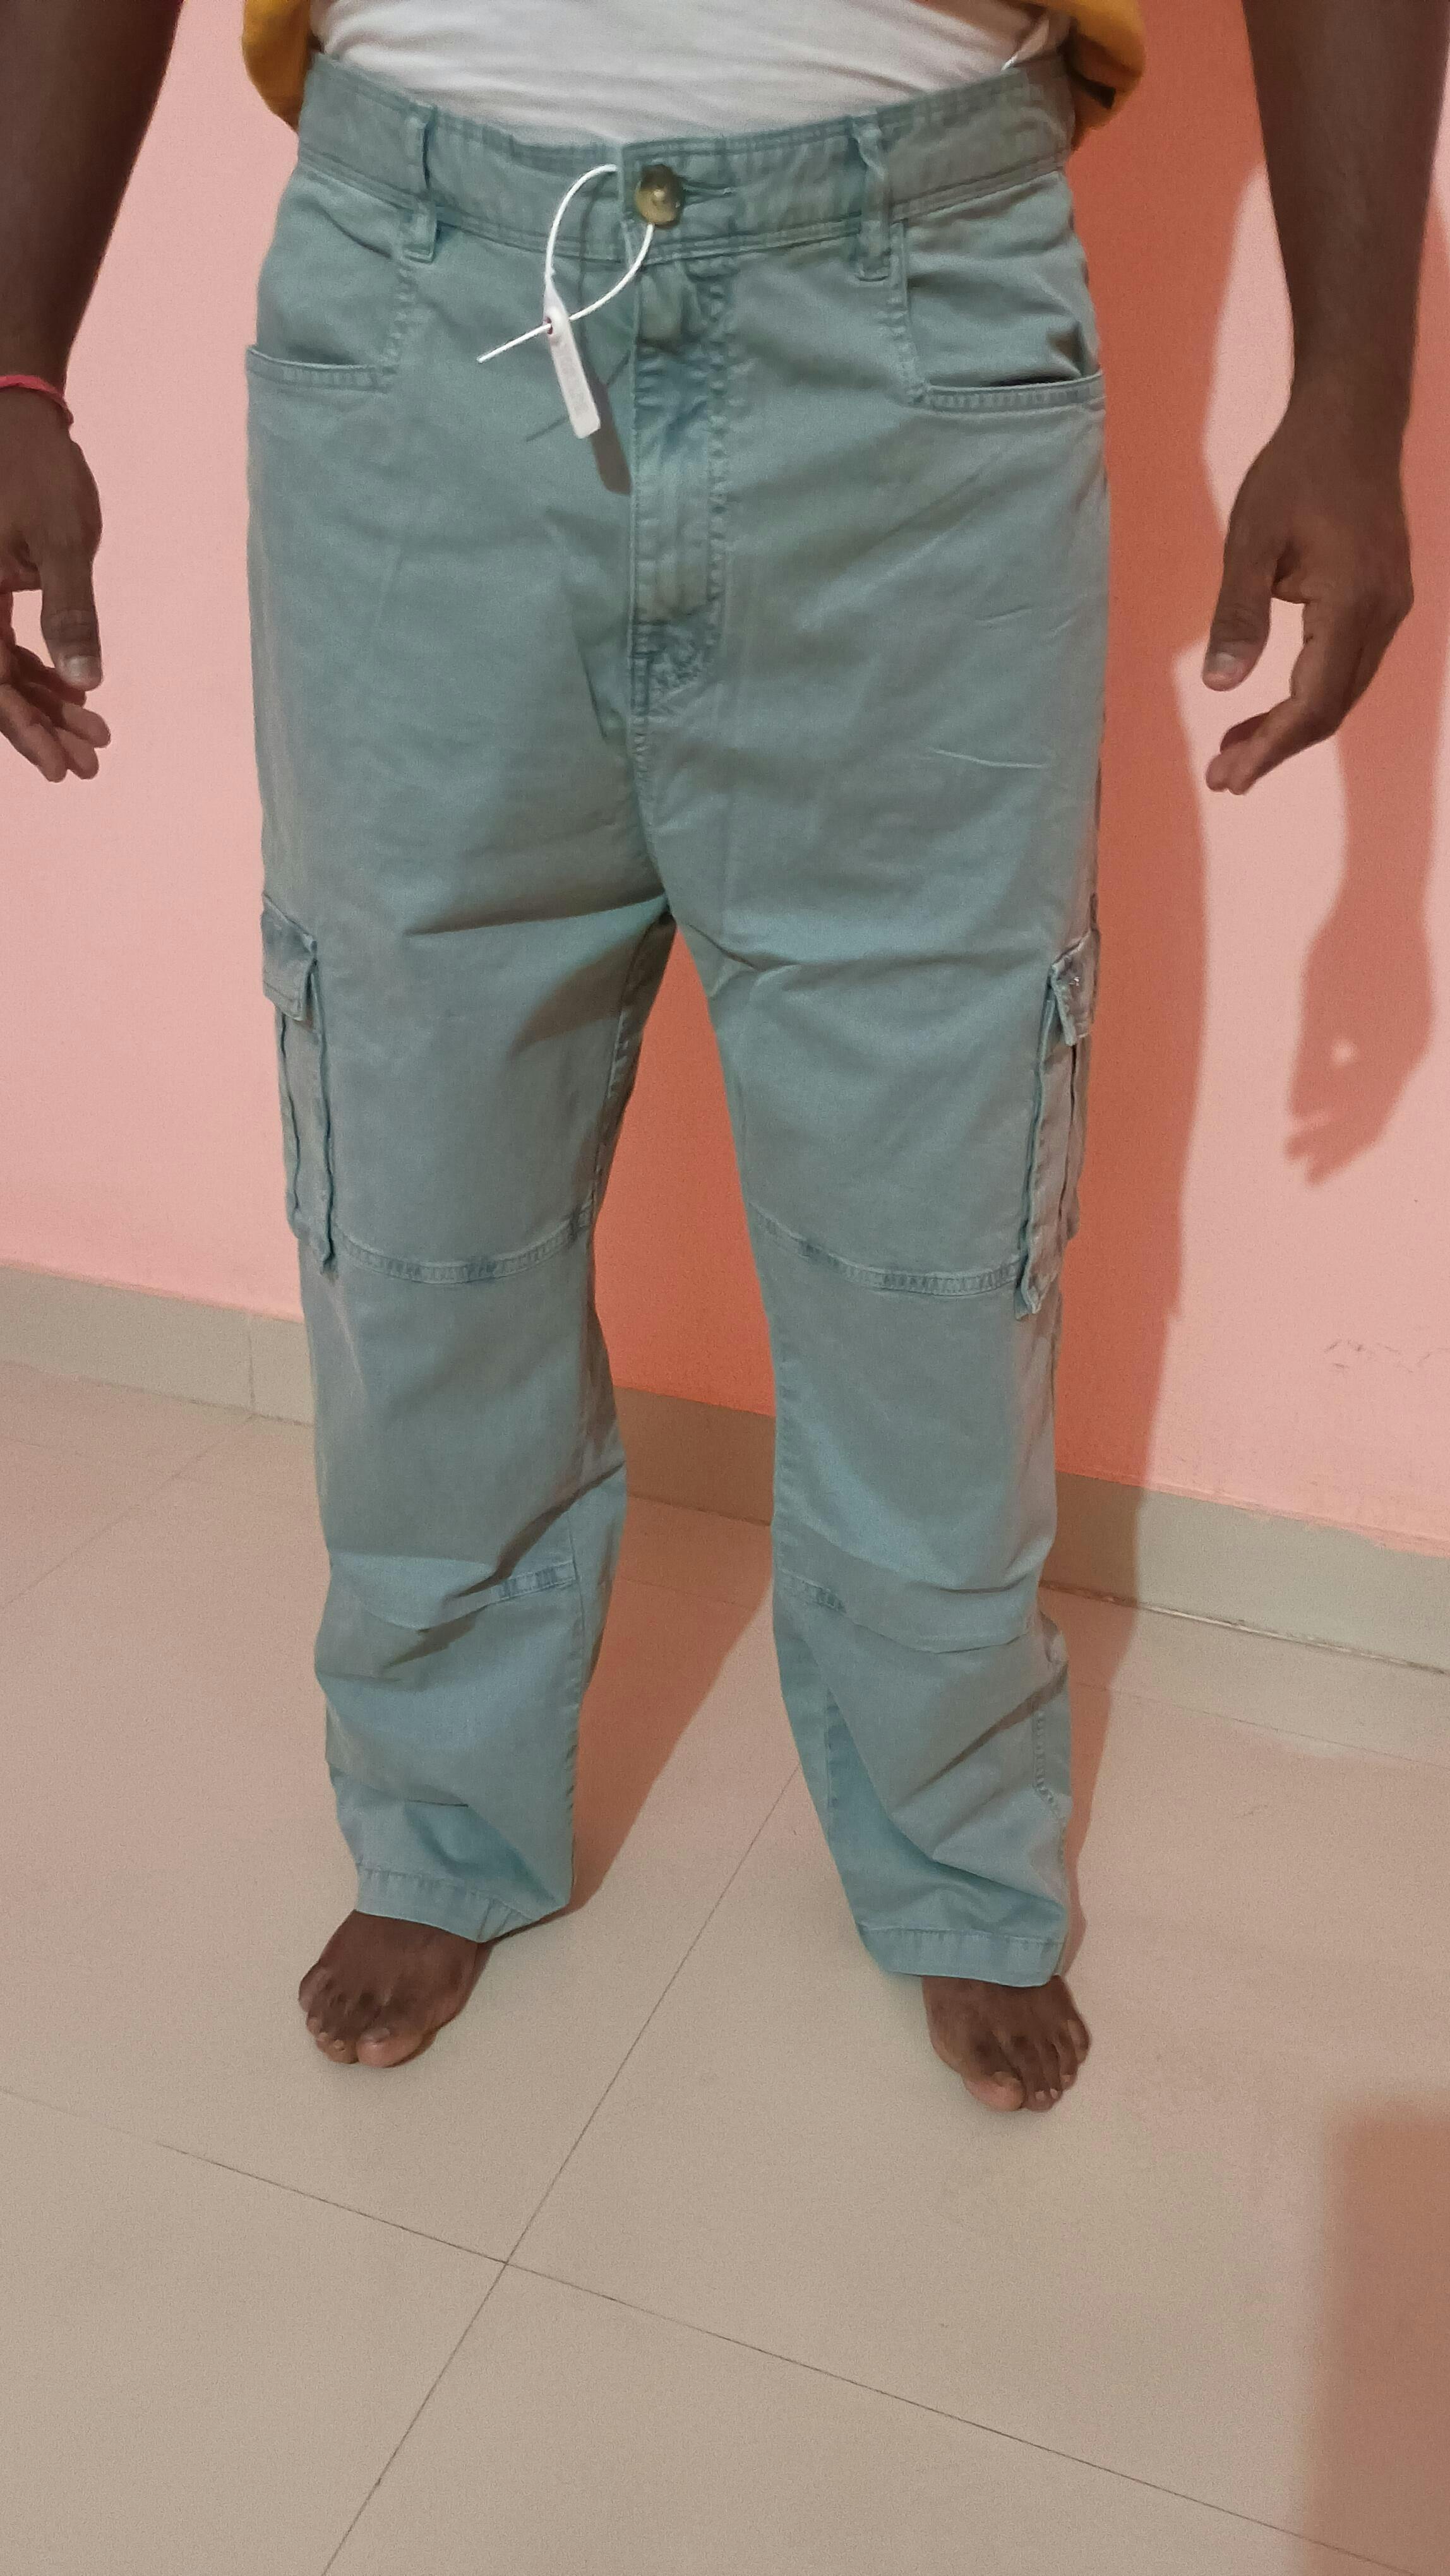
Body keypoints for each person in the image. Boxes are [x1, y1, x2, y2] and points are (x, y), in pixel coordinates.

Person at [2, 0, 1444, 2109]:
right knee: (415, 1147)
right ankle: (442, 1809)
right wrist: (17, 357)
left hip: (921, 316)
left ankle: (954, 1840)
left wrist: (1352, 386)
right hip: (419, 302)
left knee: (935, 1182)